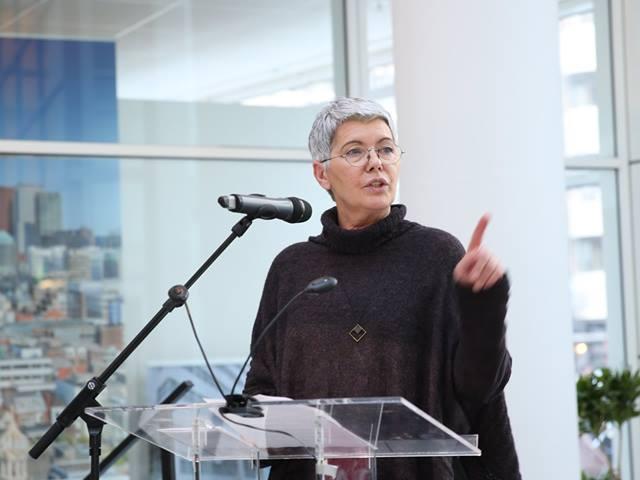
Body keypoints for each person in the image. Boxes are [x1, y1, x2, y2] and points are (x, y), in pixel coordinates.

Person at [244, 97, 521, 479]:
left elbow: (480, 387)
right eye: (355, 151)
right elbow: (263, 387)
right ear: (322, 174)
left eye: (386, 149)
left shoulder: (437, 255)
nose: (376, 162)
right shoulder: (292, 270)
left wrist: (482, 305)